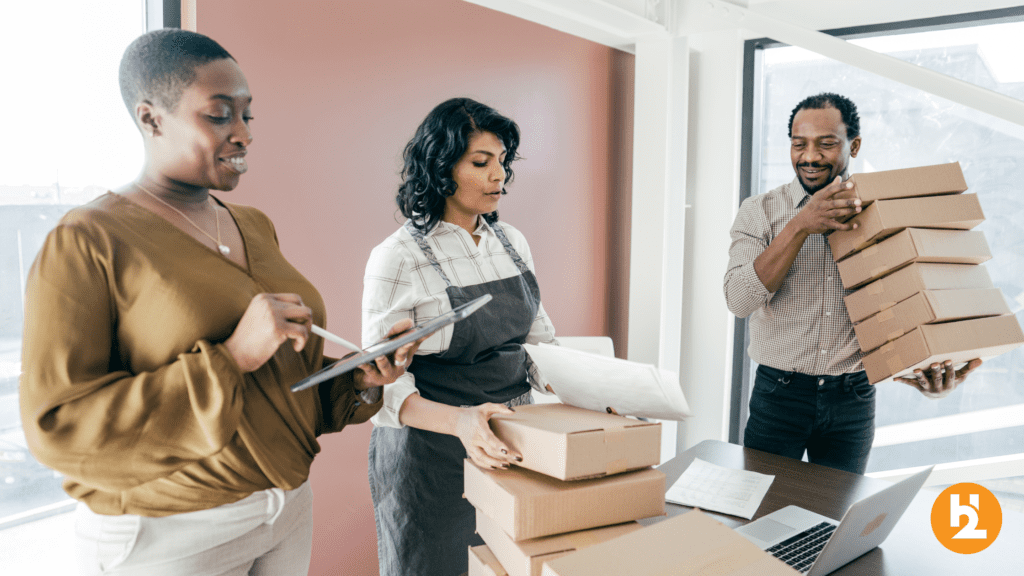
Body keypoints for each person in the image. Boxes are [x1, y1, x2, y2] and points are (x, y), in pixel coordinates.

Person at [19, 29, 419, 576]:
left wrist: (356, 378)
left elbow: (274, 393)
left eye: (247, 117)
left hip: (285, 512)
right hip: (172, 533)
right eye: (218, 115)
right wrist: (233, 356)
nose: (243, 135)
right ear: (151, 119)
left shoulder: (252, 225)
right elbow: (60, 426)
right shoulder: (88, 240)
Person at [724, 92, 981, 475]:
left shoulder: (886, 212)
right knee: (760, 511)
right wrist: (800, 225)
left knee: (838, 519)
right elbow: (739, 300)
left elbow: (915, 302)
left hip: (853, 398)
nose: (809, 157)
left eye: (826, 144)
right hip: (779, 395)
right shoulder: (760, 211)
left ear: (854, 145)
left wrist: (929, 367)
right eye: (799, 144)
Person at [362, 97, 558, 576]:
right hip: (432, 456)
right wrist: (461, 423)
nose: (500, 177)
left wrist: (594, 391)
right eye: (481, 162)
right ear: (441, 166)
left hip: (510, 443)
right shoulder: (399, 256)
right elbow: (382, 387)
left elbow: (540, 343)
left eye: (504, 163)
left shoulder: (511, 242)